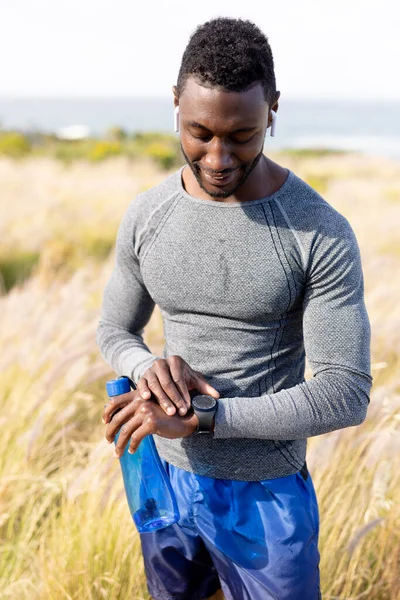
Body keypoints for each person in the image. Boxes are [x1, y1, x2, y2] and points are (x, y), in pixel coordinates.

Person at [97, 16, 372, 600]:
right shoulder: (148, 215)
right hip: (162, 476)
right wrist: (148, 369)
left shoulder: (318, 232)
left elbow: (345, 393)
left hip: (264, 495)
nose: (218, 157)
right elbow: (114, 329)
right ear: (175, 104)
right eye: (199, 132)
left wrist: (203, 417)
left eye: (241, 136)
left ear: (272, 109)